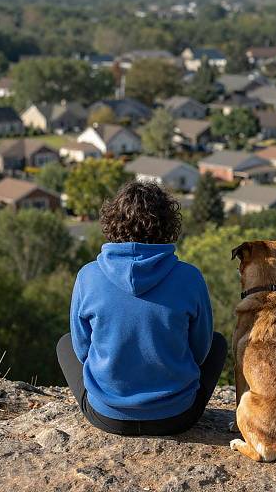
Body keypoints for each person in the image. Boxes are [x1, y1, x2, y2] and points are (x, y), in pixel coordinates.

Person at [57, 181, 227, 436]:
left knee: (65, 343)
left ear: (113, 221)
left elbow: (82, 350)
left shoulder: (88, 276)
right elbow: (200, 351)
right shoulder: (190, 278)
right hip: (177, 417)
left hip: (108, 417)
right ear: (168, 224)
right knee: (218, 343)